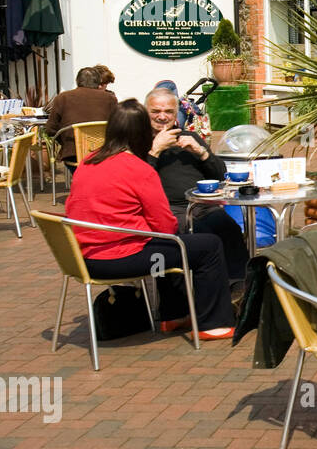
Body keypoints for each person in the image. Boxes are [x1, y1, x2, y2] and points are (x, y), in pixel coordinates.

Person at [64, 99, 235, 340]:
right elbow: (165, 226)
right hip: (119, 259)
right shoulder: (138, 168)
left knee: (165, 246)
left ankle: (174, 316)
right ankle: (213, 324)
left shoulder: (89, 160)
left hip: (81, 257)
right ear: (143, 133)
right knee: (206, 246)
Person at [144, 86, 249, 280]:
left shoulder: (189, 137)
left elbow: (220, 174)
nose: (162, 116)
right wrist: (155, 151)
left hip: (203, 205)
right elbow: (138, 182)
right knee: (203, 235)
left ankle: (240, 286)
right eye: (156, 111)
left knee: (228, 228)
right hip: (168, 210)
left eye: (168, 111)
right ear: (146, 113)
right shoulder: (140, 143)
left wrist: (202, 153)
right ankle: (201, 291)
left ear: (176, 114)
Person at [45, 67, 118, 167]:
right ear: (98, 82)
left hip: (73, 153)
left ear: (77, 81)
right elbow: (117, 127)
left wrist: (65, 141)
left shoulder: (62, 97)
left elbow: (50, 129)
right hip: (104, 154)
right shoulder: (110, 98)